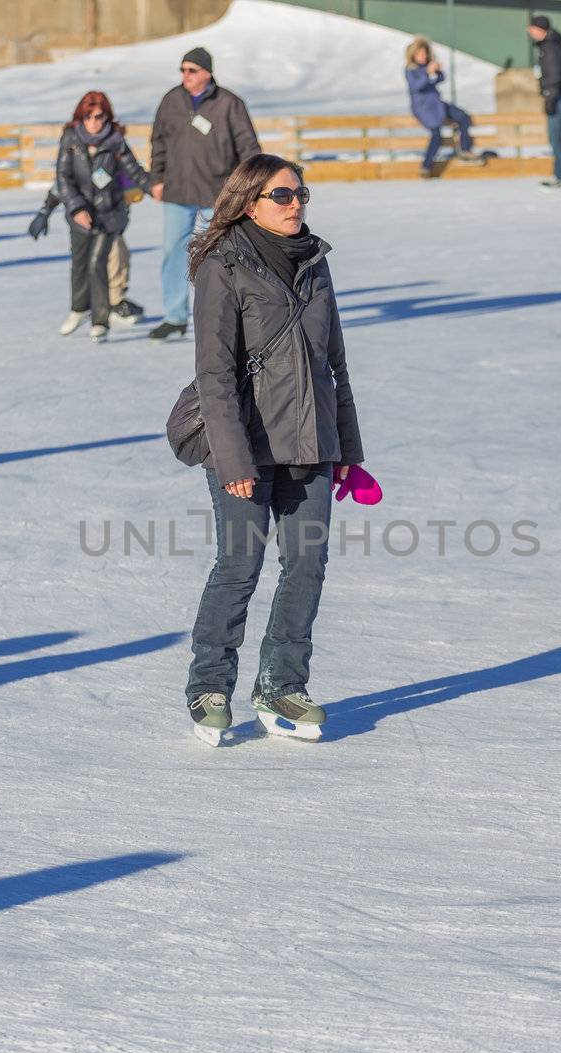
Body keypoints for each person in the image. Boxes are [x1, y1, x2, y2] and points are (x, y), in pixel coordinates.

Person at [184, 154, 363, 745]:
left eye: (301, 193)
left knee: (308, 563)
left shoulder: (315, 261)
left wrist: (348, 449)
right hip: (244, 441)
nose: (296, 204)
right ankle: (210, 684)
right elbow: (214, 374)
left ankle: (282, 684)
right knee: (240, 564)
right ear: (249, 202)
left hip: (310, 439)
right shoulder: (224, 265)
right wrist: (233, 461)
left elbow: (334, 361)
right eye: (283, 196)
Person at [147, 47, 261, 342]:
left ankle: (226, 314)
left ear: (207, 73)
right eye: (182, 70)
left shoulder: (228, 103)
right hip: (178, 190)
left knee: (222, 255)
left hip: (218, 193)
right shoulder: (171, 100)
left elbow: (249, 148)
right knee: (173, 252)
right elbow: (158, 141)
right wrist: (156, 178)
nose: (185, 75)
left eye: (191, 70)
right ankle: (174, 316)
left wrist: (247, 187)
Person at [52, 92, 153, 343]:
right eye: (88, 116)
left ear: (107, 116)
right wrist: (76, 209)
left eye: (99, 116)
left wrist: (157, 188)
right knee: (79, 263)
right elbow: (63, 178)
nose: (94, 122)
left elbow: (135, 171)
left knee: (98, 262)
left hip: (109, 213)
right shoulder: (71, 139)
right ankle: (79, 309)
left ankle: (100, 321)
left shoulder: (115, 140)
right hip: (80, 213)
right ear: (80, 116)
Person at [27, 186, 144, 325]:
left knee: (120, 255)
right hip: (93, 218)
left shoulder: (120, 165)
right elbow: (63, 182)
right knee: (113, 253)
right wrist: (45, 210)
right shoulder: (82, 165)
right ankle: (111, 303)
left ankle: (110, 300)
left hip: (112, 216)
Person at [403, 37, 482, 179]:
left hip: (437, 104)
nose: (423, 57)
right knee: (436, 136)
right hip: (424, 108)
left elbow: (440, 79)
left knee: (463, 117)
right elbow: (416, 86)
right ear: (413, 55)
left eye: (424, 53)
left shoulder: (426, 67)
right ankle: (426, 166)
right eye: (420, 54)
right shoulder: (411, 70)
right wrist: (427, 72)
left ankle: (465, 150)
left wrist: (438, 71)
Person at [528, 15, 561, 192]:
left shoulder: (551, 47)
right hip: (555, 95)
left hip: (557, 96)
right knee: (554, 137)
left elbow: (555, 76)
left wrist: (550, 98)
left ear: (540, 29)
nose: (529, 32)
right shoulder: (548, 45)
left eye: (531, 28)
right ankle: (559, 176)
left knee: (555, 137)